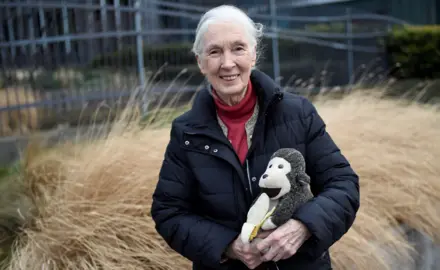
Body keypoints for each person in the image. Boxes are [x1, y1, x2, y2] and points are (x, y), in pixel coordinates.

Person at [151, 5, 360, 270]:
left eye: (238, 48)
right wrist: (228, 246)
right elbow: (168, 212)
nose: (227, 63)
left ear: (253, 54)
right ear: (201, 63)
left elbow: (343, 184)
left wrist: (302, 227)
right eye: (215, 52)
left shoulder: (298, 113)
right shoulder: (186, 132)